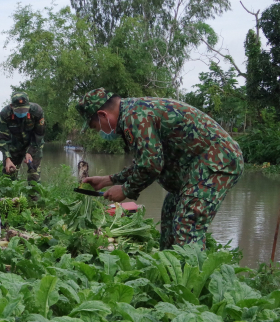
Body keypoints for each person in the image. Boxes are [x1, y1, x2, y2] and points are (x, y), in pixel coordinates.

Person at [77, 88, 244, 250]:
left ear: (103, 115)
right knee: (170, 212)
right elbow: (146, 160)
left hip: (218, 160)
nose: (100, 132)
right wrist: (109, 180)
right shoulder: (133, 113)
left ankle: (192, 276)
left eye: (96, 127)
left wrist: (125, 189)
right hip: (199, 166)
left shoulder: (134, 116)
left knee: (187, 225)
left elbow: (151, 164)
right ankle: (169, 269)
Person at [0, 92, 45, 183]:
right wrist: (7, 158)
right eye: (18, 111)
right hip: (13, 146)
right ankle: (9, 197)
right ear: (11, 106)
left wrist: (30, 152)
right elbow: (2, 138)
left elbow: (39, 134)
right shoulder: (5, 114)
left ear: (29, 105)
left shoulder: (37, 111)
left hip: (33, 145)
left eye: (24, 110)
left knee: (34, 175)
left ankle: (33, 197)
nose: (22, 113)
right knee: (8, 175)